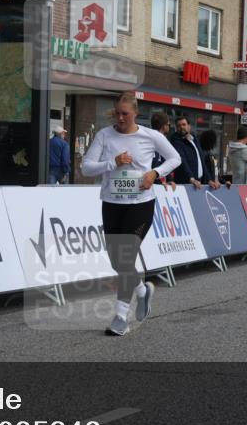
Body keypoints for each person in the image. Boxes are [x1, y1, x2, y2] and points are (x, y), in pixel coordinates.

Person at [80, 92, 181, 337]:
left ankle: (120, 317)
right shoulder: (105, 135)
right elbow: (85, 167)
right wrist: (112, 163)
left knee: (125, 257)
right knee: (118, 262)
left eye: (125, 113)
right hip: (112, 204)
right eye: (117, 113)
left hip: (141, 205)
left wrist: (154, 174)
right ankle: (142, 291)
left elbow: (174, 158)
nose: (121, 118)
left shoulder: (150, 136)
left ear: (136, 113)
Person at [170, 116, 218, 190]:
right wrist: (191, 178)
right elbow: (182, 161)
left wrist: (209, 180)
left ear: (189, 126)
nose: (181, 127)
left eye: (183, 124)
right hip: (186, 184)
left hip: (199, 183)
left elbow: (202, 162)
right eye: (178, 126)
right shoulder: (176, 142)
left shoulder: (194, 139)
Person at [150, 112, 177, 190]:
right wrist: (159, 183)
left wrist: (169, 180)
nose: (169, 127)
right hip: (150, 188)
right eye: (168, 124)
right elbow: (151, 166)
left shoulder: (161, 141)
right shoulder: (152, 141)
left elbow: (163, 163)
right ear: (164, 126)